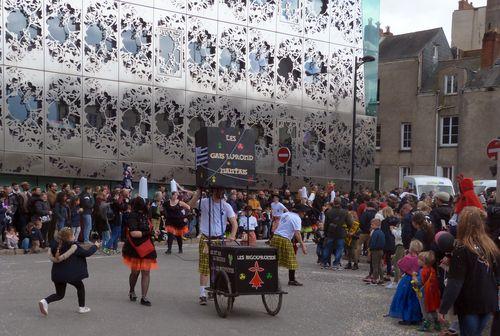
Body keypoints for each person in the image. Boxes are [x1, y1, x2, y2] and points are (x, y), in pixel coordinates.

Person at [438, 206, 500, 336]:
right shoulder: (490, 246)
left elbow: (455, 283)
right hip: (488, 300)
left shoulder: (462, 250)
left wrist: (444, 307)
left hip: (470, 302)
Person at [188, 188, 238, 306]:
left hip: (219, 239)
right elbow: (190, 205)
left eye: (222, 192)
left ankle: (214, 288)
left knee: (219, 266)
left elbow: (234, 223)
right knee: (205, 266)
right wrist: (198, 193)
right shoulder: (205, 202)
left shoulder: (226, 206)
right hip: (206, 239)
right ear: (214, 192)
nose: (221, 193)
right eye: (218, 191)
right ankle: (202, 294)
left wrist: (232, 235)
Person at [38, 227, 99, 316]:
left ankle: (45, 301)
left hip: (57, 275)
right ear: (69, 237)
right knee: (80, 286)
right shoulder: (73, 246)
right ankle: (82, 307)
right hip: (70, 275)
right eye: (73, 235)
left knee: (59, 294)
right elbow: (87, 253)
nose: (74, 236)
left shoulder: (54, 245)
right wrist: (95, 246)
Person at [122, 197, 157, 307]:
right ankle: (132, 291)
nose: (146, 205)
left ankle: (144, 297)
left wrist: (155, 232)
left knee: (146, 272)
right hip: (135, 247)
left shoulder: (147, 215)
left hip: (147, 246)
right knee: (135, 272)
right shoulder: (132, 215)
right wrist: (149, 233)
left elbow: (149, 229)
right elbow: (134, 233)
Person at [270, 204, 308, 286]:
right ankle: (291, 280)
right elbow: (297, 233)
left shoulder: (285, 214)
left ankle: (270, 277)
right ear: (300, 212)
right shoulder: (297, 218)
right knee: (292, 260)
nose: (304, 214)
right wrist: (303, 245)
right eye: (304, 212)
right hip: (284, 238)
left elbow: (277, 224)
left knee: (274, 259)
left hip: (276, 237)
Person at [389, 239, 424, 325]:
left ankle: (407, 318)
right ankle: (416, 317)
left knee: (405, 299)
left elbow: (400, 264)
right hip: (417, 279)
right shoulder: (421, 258)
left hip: (408, 279)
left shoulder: (408, 258)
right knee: (415, 299)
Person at [412, 251, 441, 332]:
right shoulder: (432, 269)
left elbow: (419, 283)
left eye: (419, 259)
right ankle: (436, 323)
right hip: (432, 292)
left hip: (423, 293)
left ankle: (426, 324)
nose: (417, 261)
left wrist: (414, 276)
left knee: (424, 309)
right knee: (432, 308)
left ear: (424, 262)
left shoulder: (423, 271)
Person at [322, 197, 352, 270]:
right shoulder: (345, 212)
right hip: (340, 231)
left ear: (333, 202)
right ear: (340, 202)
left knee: (327, 248)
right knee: (339, 248)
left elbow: (326, 223)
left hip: (330, 231)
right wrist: (347, 228)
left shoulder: (329, 211)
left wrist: (325, 231)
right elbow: (350, 222)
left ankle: (325, 263)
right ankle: (335, 264)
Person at [369, 218, 386, 285]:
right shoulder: (381, 232)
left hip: (375, 251)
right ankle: (381, 279)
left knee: (375, 265)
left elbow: (373, 242)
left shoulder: (375, 233)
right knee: (379, 265)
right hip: (381, 250)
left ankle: (375, 279)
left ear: (376, 225)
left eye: (372, 224)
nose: (371, 226)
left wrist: (370, 248)